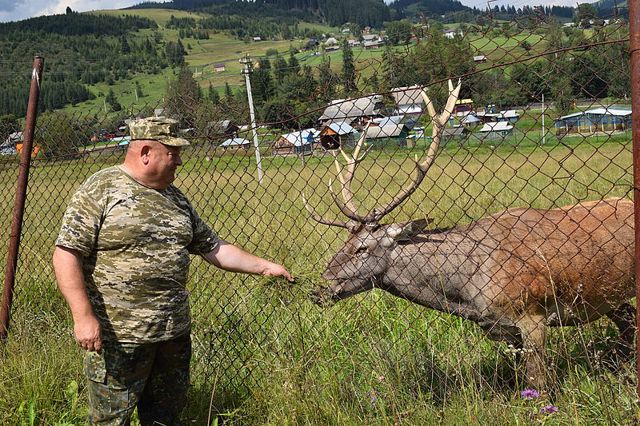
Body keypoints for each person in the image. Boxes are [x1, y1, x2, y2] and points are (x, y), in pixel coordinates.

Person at [52, 116, 293, 425]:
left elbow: (213, 247)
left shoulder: (175, 198)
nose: (180, 160)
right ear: (145, 152)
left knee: (165, 417)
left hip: (172, 336)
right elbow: (66, 255)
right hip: (121, 338)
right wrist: (82, 316)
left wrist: (265, 267)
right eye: (173, 152)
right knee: (111, 420)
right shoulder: (101, 189)